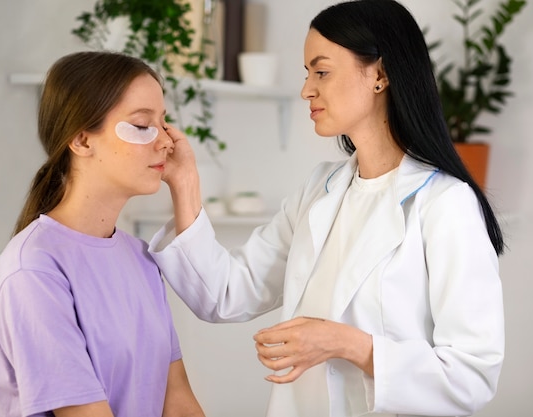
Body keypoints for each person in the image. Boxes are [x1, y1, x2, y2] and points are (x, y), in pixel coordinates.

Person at [155, 0, 505, 416]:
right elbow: (227, 294)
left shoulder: (445, 203)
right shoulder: (320, 191)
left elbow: (471, 376)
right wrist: (185, 183)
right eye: (308, 74)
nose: (306, 89)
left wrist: (345, 343)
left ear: (379, 74)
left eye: (321, 71)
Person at [0, 51, 205, 417]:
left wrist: (186, 182)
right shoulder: (34, 269)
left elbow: (177, 401)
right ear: (82, 141)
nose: (166, 141)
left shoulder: (140, 258)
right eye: (143, 125)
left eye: (164, 123)